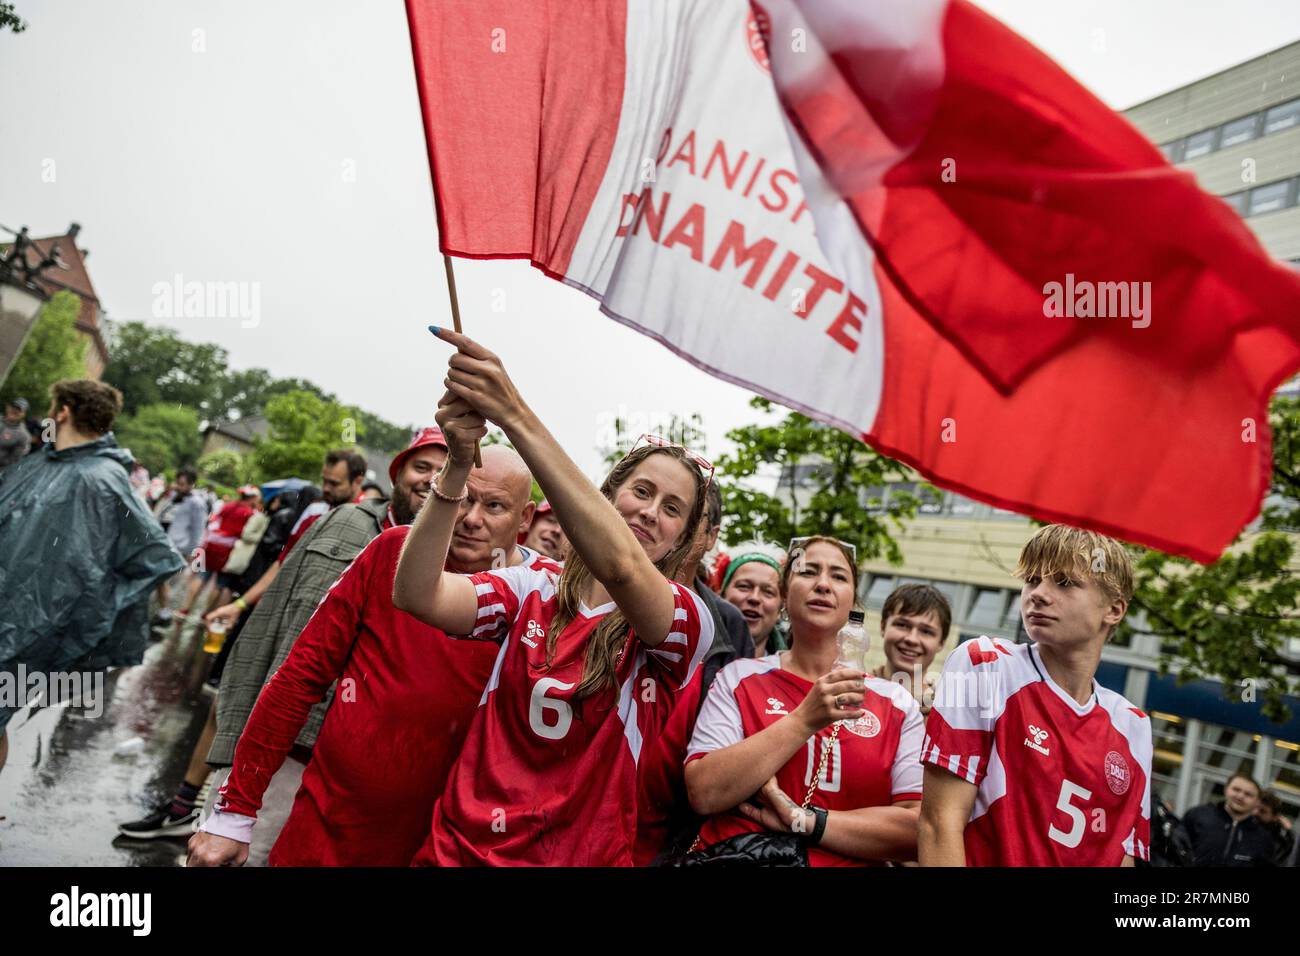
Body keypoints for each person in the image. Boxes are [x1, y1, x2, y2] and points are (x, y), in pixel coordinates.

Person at [393, 327, 714, 866]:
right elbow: (417, 594)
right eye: (640, 491)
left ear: (683, 539)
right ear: (604, 496)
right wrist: (456, 463)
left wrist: (514, 414)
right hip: (459, 850)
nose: (650, 512)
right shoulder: (531, 584)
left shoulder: (688, 622)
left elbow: (622, 569)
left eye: (672, 508)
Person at [187, 442, 552, 866]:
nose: (472, 519)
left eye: (494, 506)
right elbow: (298, 678)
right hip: (324, 831)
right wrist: (234, 811)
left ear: (524, 518)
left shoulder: (543, 593)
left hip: (441, 848)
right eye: (464, 498)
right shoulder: (390, 551)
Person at [917, 524, 1152, 866]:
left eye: (1064, 582)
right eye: (1031, 579)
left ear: (1114, 609)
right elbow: (939, 823)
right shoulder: (985, 664)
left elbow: (1123, 858)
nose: (1037, 593)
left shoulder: (1134, 726)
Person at [683, 537, 924, 865]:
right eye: (808, 572)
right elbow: (704, 792)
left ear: (853, 599)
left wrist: (804, 820)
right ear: (784, 595)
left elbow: (918, 830)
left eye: (839, 576)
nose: (823, 584)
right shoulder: (739, 678)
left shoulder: (897, 702)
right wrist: (804, 720)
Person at [0, 380, 183, 773]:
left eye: (53, 407)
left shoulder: (102, 478)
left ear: (63, 411)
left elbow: (153, 554)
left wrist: (84, 611)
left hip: (31, 626)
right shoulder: (43, 463)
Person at [874, 583, 952, 716]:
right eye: (902, 625)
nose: (912, 639)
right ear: (883, 627)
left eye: (926, 631)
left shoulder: (947, 715)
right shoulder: (850, 690)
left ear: (941, 642)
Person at [152, 467, 209, 627]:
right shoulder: (174, 496)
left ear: (191, 484)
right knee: (159, 579)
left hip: (179, 547)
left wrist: (193, 551)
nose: (179, 486)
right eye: (178, 482)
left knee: (162, 578)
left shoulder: (197, 503)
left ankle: (165, 611)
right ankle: (163, 610)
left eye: (182, 484)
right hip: (163, 541)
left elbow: (199, 529)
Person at [1182, 773, 1280, 866]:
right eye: (1236, 790)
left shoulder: (1263, 840)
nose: (1240, 796)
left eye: (1248, 794)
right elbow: (1174, 851)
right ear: (1226, 789)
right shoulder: (1198, 815)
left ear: (1257, 801)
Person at [718, 542, 787, 655]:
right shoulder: (689, 660)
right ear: (721, 595)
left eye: (768, 592)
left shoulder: (794, 671)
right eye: (744, 586)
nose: (754, 598)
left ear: (780, 609)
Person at [1256, 790, 1296, 865]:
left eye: (1262, 811)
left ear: (1275, 817)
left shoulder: (1279, 842)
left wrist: (1290, 832)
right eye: (1254, 808)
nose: (1255, 813)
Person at [0, 397, 32, 470]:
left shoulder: (23, 436)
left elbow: (14, 462)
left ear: (24, 414)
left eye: (19, 410)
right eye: (13, 407)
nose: (15, 410)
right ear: (8, 408)